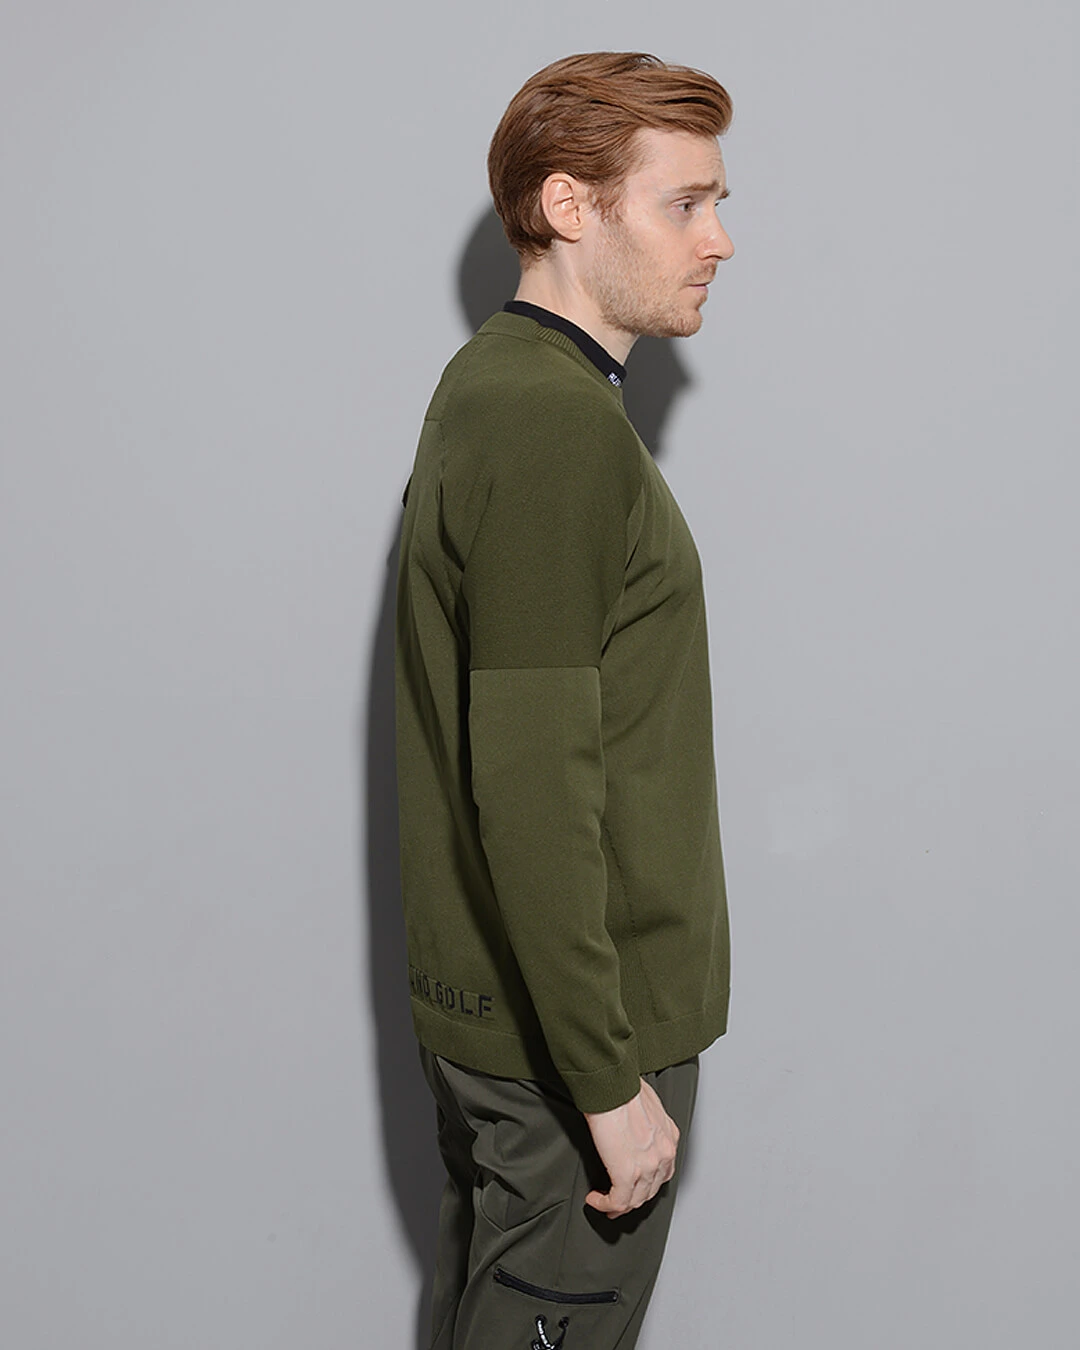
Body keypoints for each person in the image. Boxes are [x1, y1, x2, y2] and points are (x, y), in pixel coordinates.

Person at [394, 51, 734, 1350]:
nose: (719, 240)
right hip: (576, 1041)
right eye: (684, 204)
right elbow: (533, 785)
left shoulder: (498, 387)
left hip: (515, 1020)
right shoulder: (552, 425)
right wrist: (604, 1077)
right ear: (568, 206)